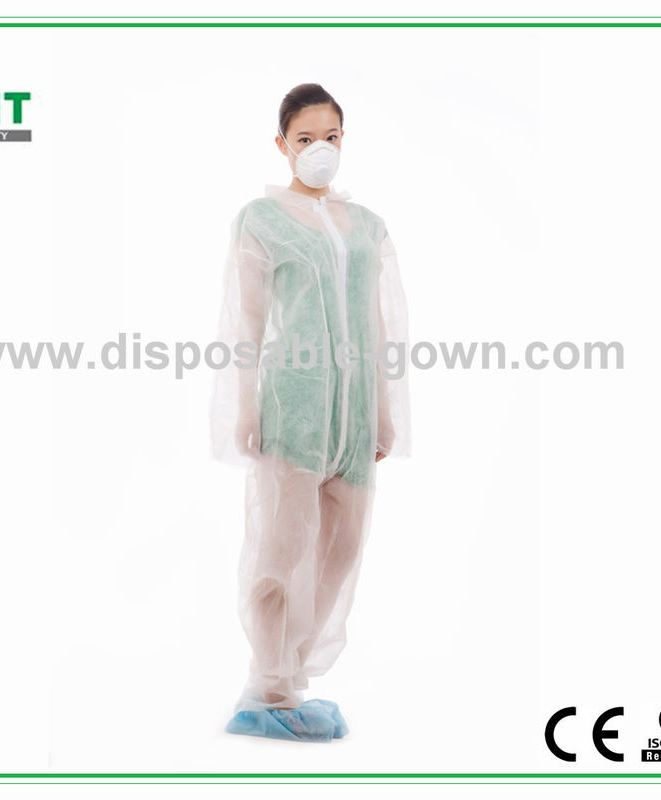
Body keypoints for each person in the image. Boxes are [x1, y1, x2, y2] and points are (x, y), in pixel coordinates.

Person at [210, 83, 411, 742]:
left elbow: (379, 324)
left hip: (354, 415)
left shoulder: (367, 226)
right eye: (305, 138)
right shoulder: (262, 220)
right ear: (282, 144)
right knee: (281, 549)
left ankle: (291, 676)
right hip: (293, 408)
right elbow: (247, 321)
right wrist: (245, 407)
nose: (319, 149)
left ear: (343, 139)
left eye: (331, 137)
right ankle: (267, 685)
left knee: (342, 549)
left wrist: (383, 412)